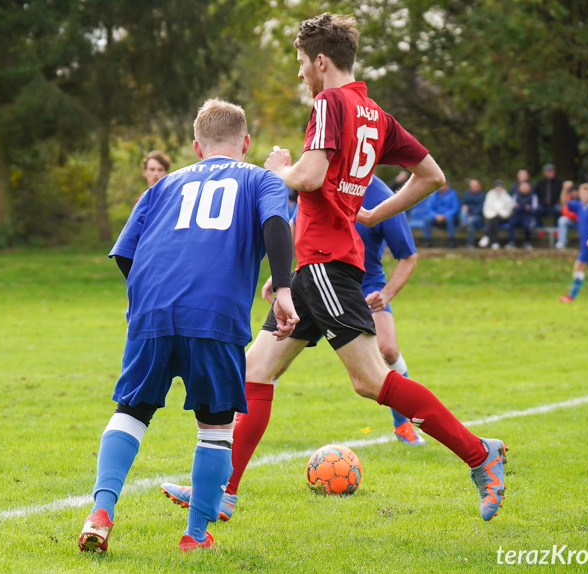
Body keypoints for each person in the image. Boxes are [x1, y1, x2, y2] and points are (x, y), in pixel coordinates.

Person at [162, 13, 506, 524]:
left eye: (302, 64)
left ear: (321, 61)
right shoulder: (374, 114)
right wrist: (371, 212)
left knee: (371, 380)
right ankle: (222, 493)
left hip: (326, 264)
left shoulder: (329, 103)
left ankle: (482, 455)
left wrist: (277, 170)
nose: (301, 75)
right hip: (316, 266)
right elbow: (431, 176)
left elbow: (310, 176)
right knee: (255, 370)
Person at [77, 99, 297, 553]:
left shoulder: (162, 184)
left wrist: (150, 299)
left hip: (151, 311)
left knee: (132, 411)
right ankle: (195, 536)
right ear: (247, 143)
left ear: (197, 147)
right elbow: (277, 225)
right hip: (214, 314)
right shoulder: (261, 178)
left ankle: (100, 511)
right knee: (215, 428)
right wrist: (286, 290)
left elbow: (124, 253)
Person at [422, 181, 460, 248]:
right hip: (436, 217)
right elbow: (429, 208)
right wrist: (435, 216)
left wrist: (445, 215)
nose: (441, 187)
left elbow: (455, 208)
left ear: (448, 186)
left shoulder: (453, 194)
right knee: (427, 219)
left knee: (449, 219)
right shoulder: (434, 195)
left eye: (443, 186)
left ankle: (452, 241)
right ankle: (427, 241)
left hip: (448, 217)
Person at [480, 179, 513, 249]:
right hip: (493, 217)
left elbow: (509, 209)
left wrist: (501, 212)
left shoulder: (506, 196)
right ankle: (495, 242)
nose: (498, 188)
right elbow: (486, 207)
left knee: (494, 221)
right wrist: (493, 213)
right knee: (494, 221)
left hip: (503, 217)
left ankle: (487, 236)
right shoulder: (490, 195)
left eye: (500, 186)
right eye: (497, 186)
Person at [507, 181, 538, 249]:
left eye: (526, 187)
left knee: (527, 225)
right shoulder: (515, 195)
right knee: (511, 223)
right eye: (522, 187)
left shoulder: (533, 196)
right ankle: (511, 242)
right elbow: (512, 207)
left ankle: (527, 242)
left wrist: (521, 207)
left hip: (528, 216)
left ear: (529, 188)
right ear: (519, 188)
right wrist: (524, 207)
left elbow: (534, 209)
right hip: (517, 215)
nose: (524, 188)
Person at [460, 179, 486, 247]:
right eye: (472, 186)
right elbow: (463, 204)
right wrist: (465, 208)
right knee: (463, 211)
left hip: (477, 217)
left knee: (470, 221)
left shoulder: (482, 195)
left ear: (479, 186)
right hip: (466, 215)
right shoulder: (466, 193)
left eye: (475, 186)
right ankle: (465, 224)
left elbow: (480, 209)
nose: (473, 187)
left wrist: (470, 212)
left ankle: (464, 225)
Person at [555, 181, 578, 249]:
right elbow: (564, 203)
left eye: (576, 191)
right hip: (571, 221)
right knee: (562, 220)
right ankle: (562, 242)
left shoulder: (582, 199)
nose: (574, 193)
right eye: (573, 191)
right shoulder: (569, 199)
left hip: (582, 222)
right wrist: (564, 189)